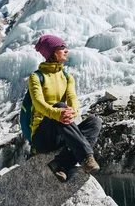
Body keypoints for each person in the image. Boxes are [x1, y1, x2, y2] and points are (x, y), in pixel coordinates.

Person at [30, 34, 102, 182]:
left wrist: (73, 111)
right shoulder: (36, 77)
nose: (66, 50)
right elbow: (38, 103)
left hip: (62, 132)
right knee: (61, 106)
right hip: (42, 137)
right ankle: (87, 157)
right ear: (52, 51)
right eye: (62, 47)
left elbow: (73, 99)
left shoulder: (67, 77)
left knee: (95, 121)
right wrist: (58, 113)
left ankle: (61, 164)